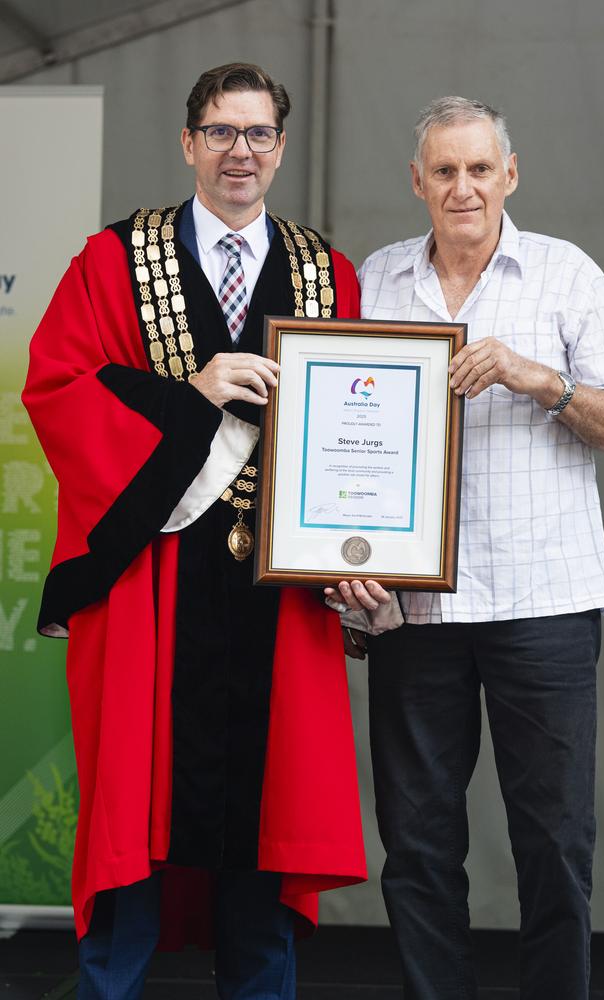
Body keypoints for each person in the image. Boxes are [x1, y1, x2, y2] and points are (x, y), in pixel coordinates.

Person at [22, 62, 367, 1000]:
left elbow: (360, 437)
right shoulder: (111, 260)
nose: (239, 152)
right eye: (220, 132)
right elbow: (57, 388)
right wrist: (192, 398)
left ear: (282, 147)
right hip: (153, 586)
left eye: (258, 134)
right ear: (188, 142)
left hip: (275, 593)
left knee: (265, 821)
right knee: (136, 811)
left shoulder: (327, 273)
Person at [327, 97, 604, 1000]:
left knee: (554, 841)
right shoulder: (378, 281)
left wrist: (534, 376)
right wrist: (344, 558)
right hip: (414, 610)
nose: (461, 186)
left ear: (511, 174)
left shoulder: (565, 274)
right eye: (443, 171)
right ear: (418, 182)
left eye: (478, 169)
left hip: (543, 604)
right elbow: (342, 443)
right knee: (418, 845)